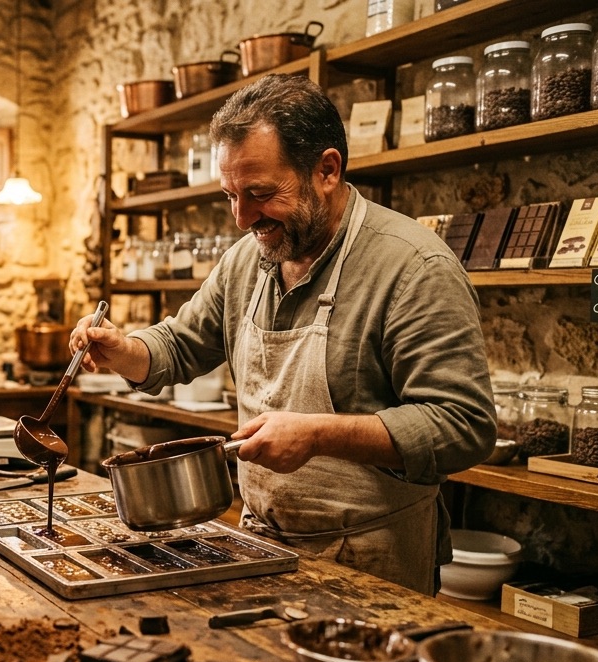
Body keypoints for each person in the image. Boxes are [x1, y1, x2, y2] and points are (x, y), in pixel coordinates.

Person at [75, 74, 496, 595]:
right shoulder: (246, 261)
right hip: (263, 547)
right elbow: (181, 345)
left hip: (374, 563)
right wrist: (123, 349)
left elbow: (463, 426)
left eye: (260, 194)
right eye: (230, 195)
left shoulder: (413, 267)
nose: (241, 218)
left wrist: (319, 434)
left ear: (327, 170)